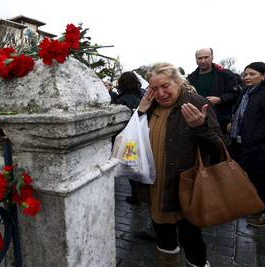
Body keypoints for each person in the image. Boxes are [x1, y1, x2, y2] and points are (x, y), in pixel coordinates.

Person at [138, 63, 222, 267]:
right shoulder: (150, 106)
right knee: (164, 236)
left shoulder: (195, 102)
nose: (160, 93)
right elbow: (134, 139)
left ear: (178, 81)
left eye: (165, 86)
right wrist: (140, 112)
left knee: (191, 239)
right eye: (154, 88)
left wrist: (201, 128)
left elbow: (220, 149)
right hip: (156, 187)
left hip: (186, 188)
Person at [229, 62, 265, 227]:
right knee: (246, 176)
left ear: (263, 76)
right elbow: (240, 112)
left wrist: (255, 138)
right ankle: (251, 207)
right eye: (245, 74)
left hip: (257, 146)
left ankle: (260, 214)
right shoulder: (246, 92)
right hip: (241, 141)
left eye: (252, 74)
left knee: (259, 178)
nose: (247, 77)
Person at [187, 48, 239, 133]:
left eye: (206, 57)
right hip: (196, 123)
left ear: (212, 58)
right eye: (200, 58)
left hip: (220, 122)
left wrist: (220, 99)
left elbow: (236, 95)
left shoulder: (225, 75)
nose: (203, 61)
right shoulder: (190, 78)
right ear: (196, 60)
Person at [112, 71, 145, 205]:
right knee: (144, 163)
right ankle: (145, 193)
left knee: (132, 165)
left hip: (128, 139)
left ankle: (136, 195)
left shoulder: (120, 100)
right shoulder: (143, 95)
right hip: (143, 135)